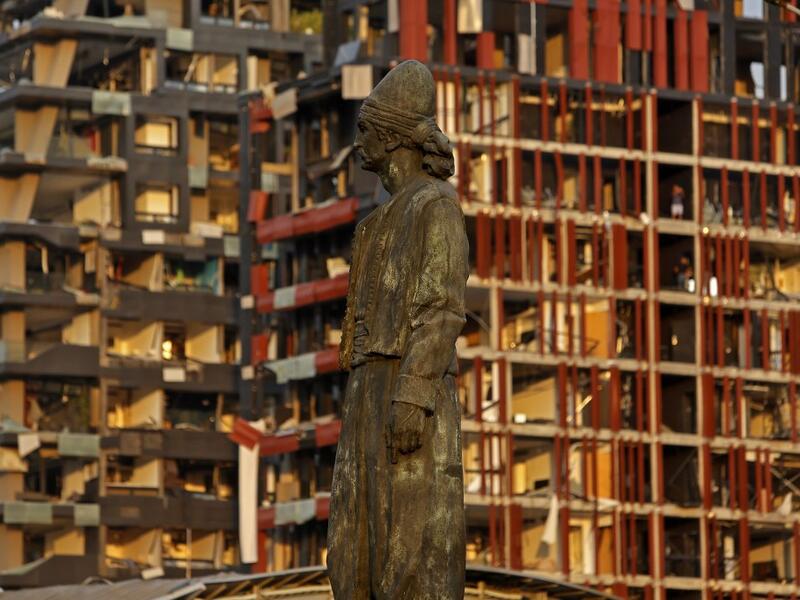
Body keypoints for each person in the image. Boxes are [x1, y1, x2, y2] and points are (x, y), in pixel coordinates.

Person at [327, 61, 468, 599]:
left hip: (408, 392)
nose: (356, 142)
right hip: (366, 389)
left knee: (408, 543)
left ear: (391, 138)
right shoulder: (373, 225)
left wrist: (413, 394)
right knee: (353, 541)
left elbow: (442, 309)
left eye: (365, 130)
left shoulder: (436, 207)